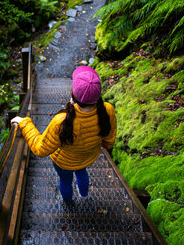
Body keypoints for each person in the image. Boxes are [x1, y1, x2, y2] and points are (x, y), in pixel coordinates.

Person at [11, 66, 117, 202]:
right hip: (87, 156)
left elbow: (40, 149)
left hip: (63, 162)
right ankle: (84, 196)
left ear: (73, 92)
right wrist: (106, 144)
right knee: (81, 172)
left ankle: (68, 202)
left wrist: (24, 123)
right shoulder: (108, 109)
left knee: (66, 181)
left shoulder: (62, 120)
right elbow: (110, 135)